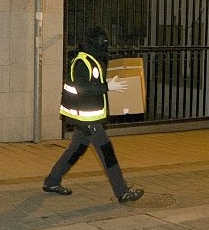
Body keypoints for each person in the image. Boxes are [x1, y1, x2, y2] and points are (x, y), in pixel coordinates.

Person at [42, 26, 144, 203]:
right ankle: (122, 192)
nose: (104, 45)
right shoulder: (82, 61)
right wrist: (107, 87)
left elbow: (91, 83)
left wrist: (106, 84)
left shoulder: (92, 59)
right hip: (87, 119)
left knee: (75, 151)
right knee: (107, 153)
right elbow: (81, 87)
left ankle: (51, 181)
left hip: (87, 118)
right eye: (102, 42)